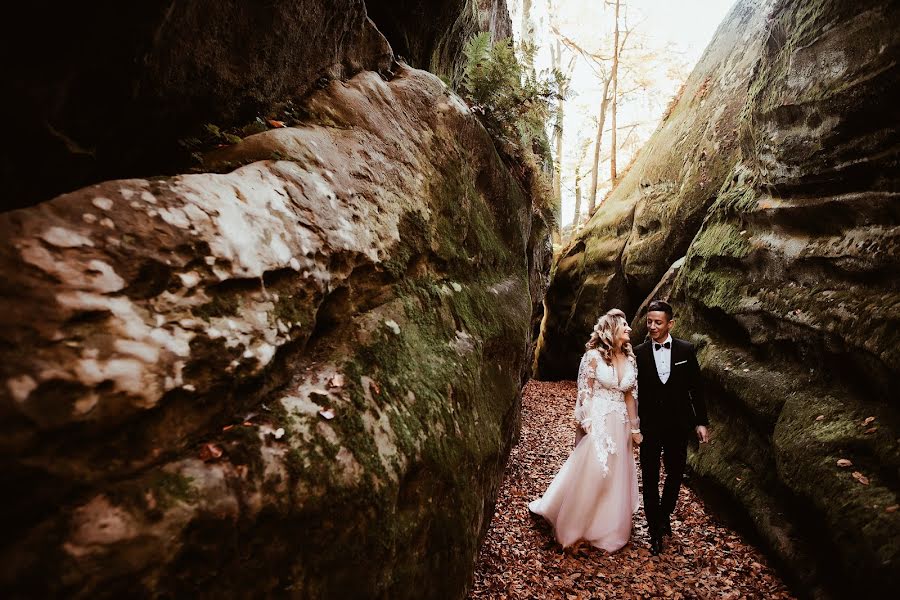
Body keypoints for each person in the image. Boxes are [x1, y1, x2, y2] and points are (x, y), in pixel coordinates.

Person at [529, 309, 642, 552]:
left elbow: (631, 397)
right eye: (624, 325)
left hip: (620, 422)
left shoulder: (631, 359)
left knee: (615, 475)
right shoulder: (593, 356)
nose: (629, 329)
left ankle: (606, 527)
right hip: (599, 419)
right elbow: (585, 392)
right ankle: (572, 526)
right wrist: (587, 421)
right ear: (611, 328)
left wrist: (634, 429)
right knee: (593, 471)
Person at [634, 299, 709, 555]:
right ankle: (654, 530)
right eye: (649, 322)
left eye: (658, 322)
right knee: (650, 477)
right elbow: (632, 393)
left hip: (679, 425)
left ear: (670, 324)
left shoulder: (686, 351)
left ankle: (664, 513)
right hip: (650, 427)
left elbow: (696, 389)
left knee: (675, 474)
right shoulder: (638, 353)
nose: (653, 327)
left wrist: (701, 422)